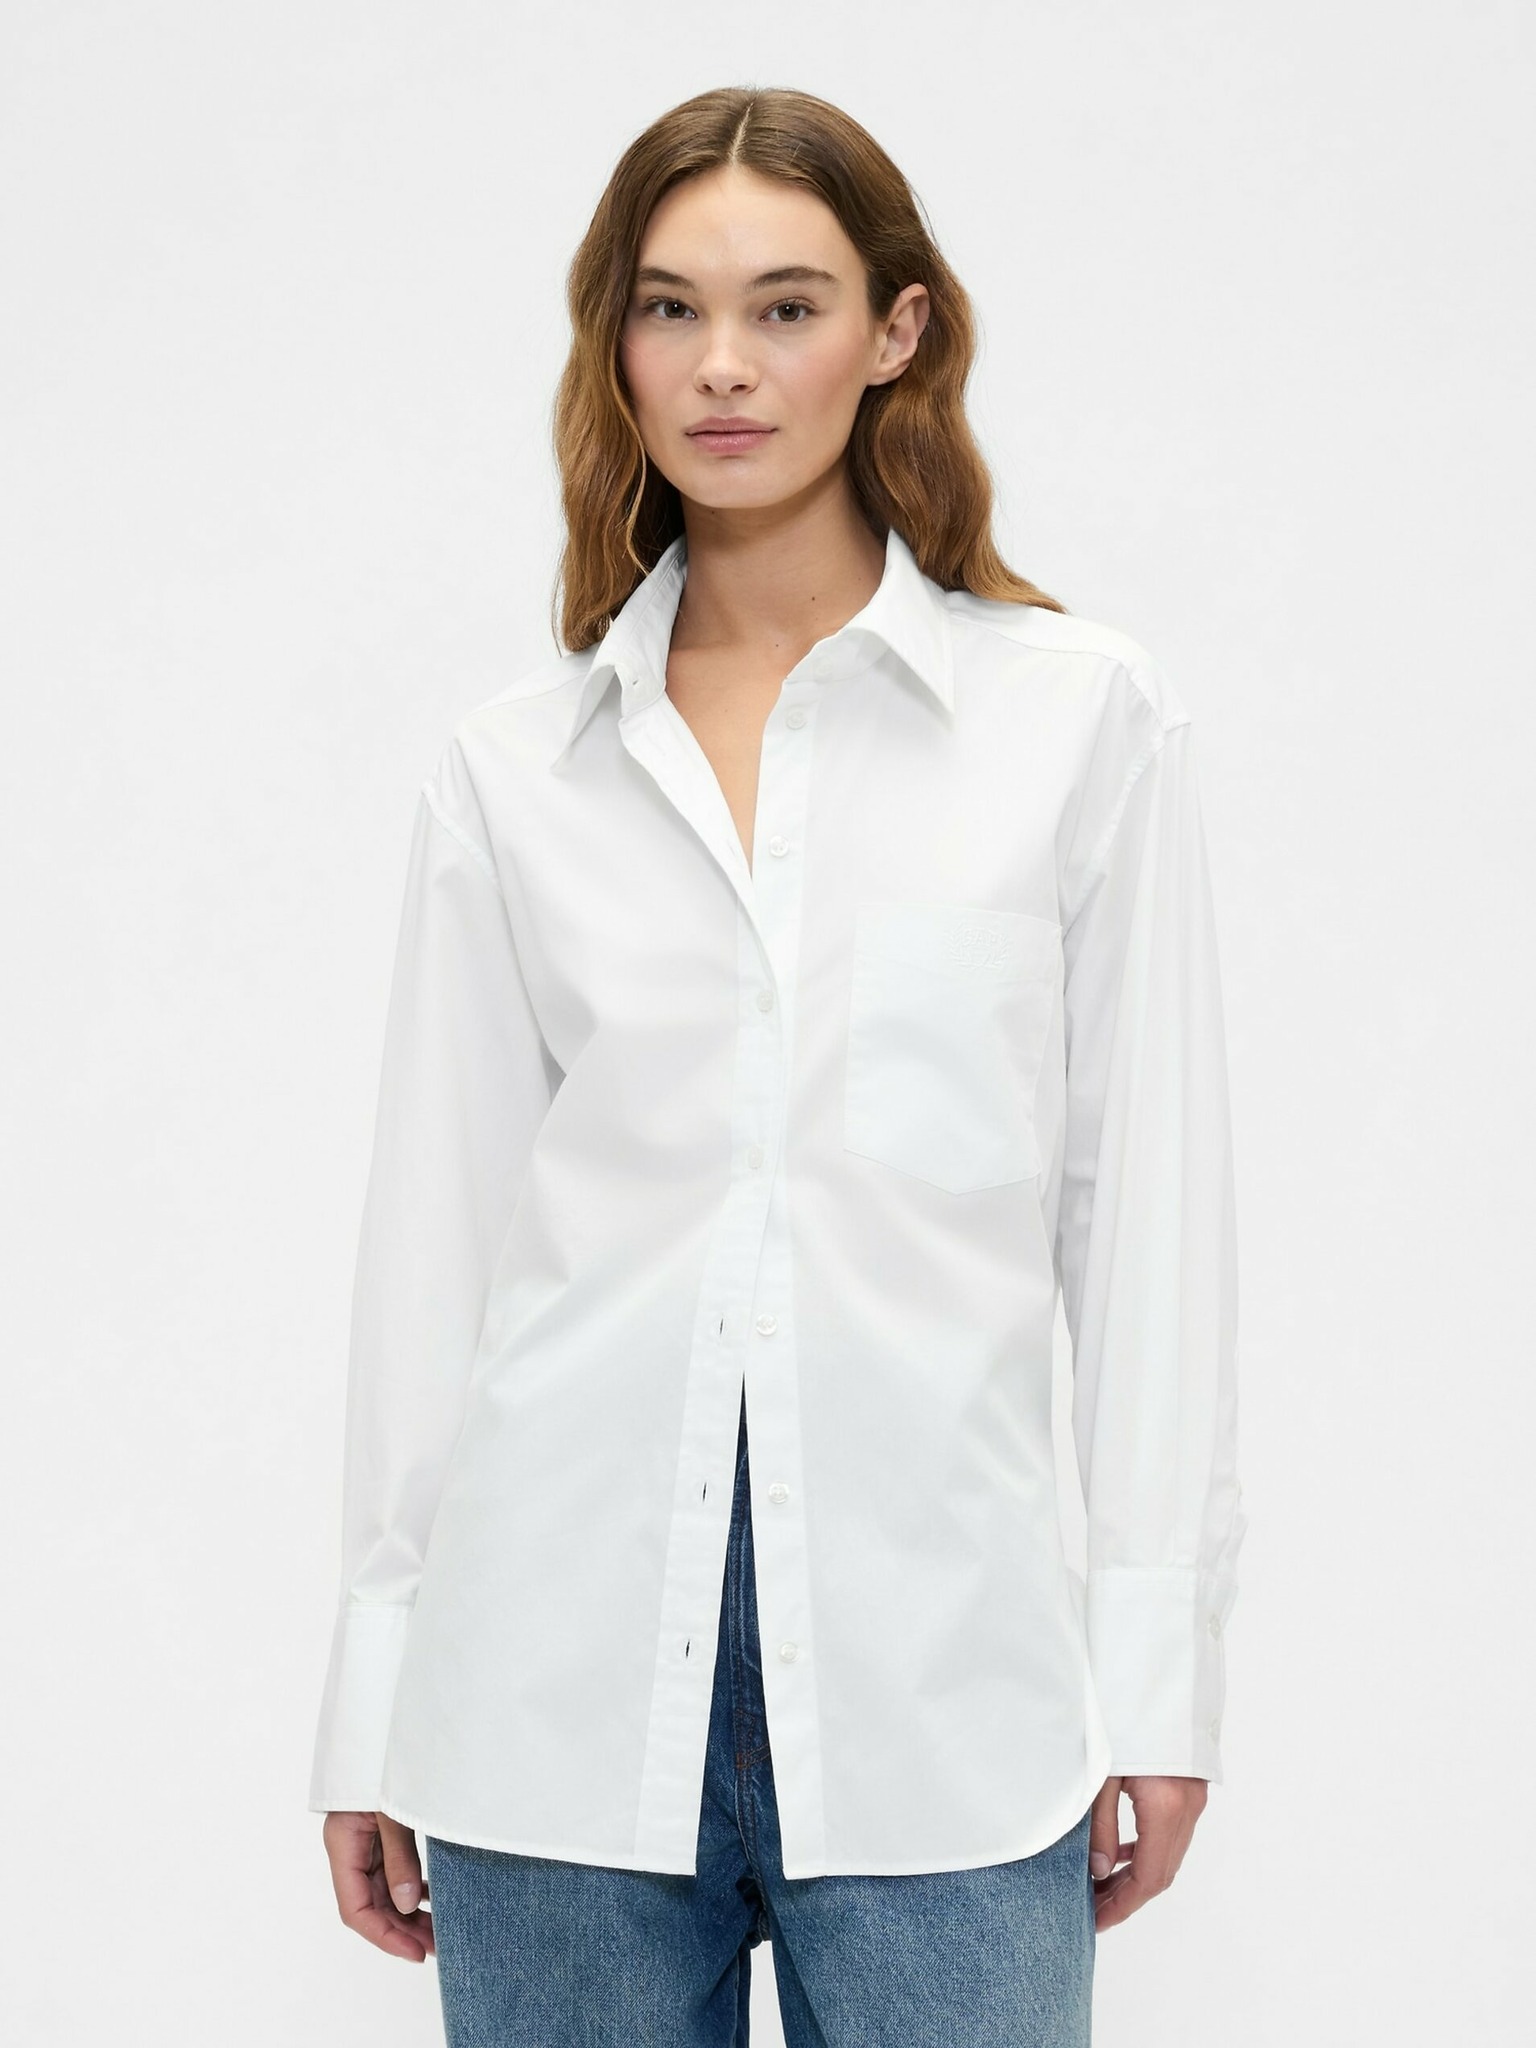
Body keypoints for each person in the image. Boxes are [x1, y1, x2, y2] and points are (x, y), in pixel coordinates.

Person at [308, 83, 1246, 2046]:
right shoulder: (514, 772)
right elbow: (436, 1263)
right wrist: (377, 1690)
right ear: (616, 344)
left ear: (898, 330)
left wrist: (1158, 1674)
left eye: (787, 306)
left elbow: (1142, 1226)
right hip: (548, 1714)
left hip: (947, 1708)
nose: (722, 365)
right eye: (670, 308)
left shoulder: (1075, 726)